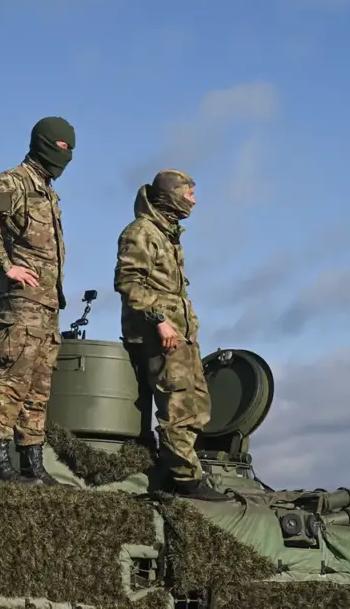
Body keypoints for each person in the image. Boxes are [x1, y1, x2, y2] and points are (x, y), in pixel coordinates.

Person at [0, 116, 75, 486]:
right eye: (62, 146)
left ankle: (33, 464)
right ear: (45, 144)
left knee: (39, 386)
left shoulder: (47, 191)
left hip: (46, 305)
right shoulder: (14, 182)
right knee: (12, 380)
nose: (67, 155)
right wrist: (7, 264)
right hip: (20, 305)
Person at [113, 169, 232, 501]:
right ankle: (185, 479)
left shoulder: (166, 234)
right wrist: (160, 320)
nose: (193, 199)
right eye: (188, 193)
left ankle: (177, 471)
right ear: (170, 195)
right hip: (158, 335)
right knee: (177, 404)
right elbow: (129, 283)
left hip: (180, 334)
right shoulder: (141, 232)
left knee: (197, 405)